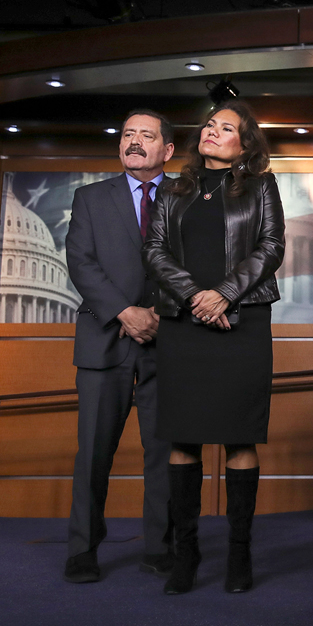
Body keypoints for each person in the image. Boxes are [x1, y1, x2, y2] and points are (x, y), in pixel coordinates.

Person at [143, 100, 285, 595]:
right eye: (208, 124)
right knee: (183, 439)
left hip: (242, 322)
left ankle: (239, 553)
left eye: (226, 127)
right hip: (185, 324)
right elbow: (154, 249)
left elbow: (272, 247)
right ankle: (187, 552)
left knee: (239, 439)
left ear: (245, 145)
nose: (212, 131)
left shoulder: (262, 187)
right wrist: (194, 297)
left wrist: (224, 293)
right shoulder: (173, 190)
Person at [63, 109, 176, 583]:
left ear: (166, 150)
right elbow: (81, 262)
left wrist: (157, 314)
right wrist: (125, 313)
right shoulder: (90, 197)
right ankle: (83, 549)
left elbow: (200, 262)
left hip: (169, 340)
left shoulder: (187, 197)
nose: (134, 142)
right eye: (128, 134)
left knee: (164, 452)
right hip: (103, 339)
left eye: (146, 136)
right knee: (93, 452)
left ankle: (161, 548)